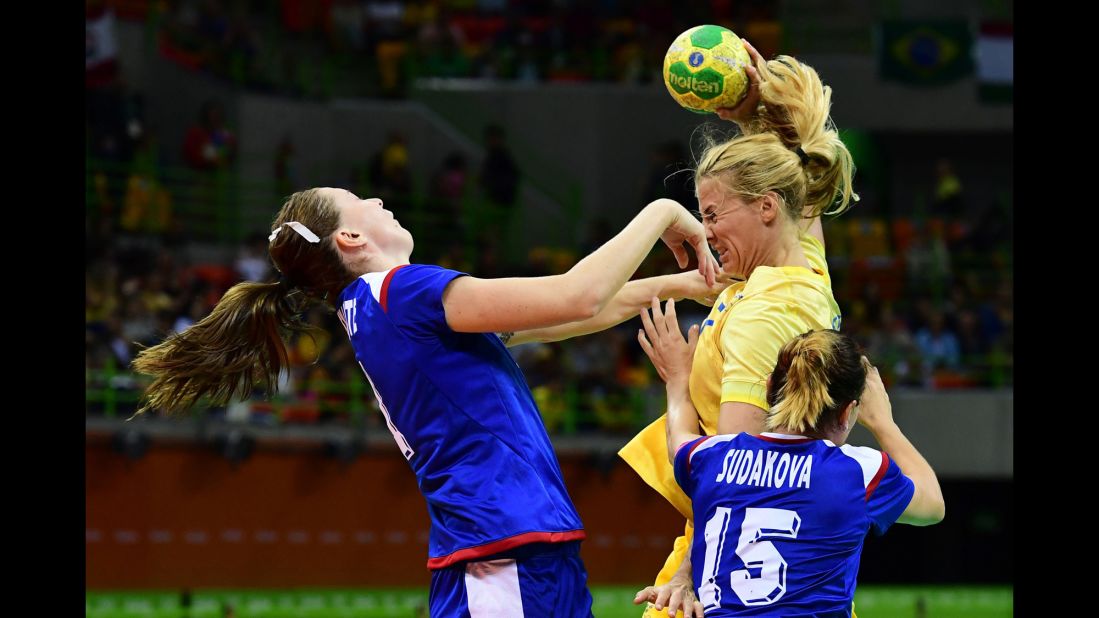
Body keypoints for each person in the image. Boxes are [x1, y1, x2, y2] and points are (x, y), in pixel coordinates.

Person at [131, 187, 719, 617]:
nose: (381, 200)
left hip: (515, 545)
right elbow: (578, 296)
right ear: (350, 239)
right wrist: (662, 212)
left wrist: (687, 285)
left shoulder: (376, 310)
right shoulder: (402, 292)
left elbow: (574, 315)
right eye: (361, 200)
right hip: (500, 546)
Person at [618, 41, 863, 615]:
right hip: (768, 537)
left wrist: (687, 571)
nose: (704, 231)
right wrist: (751, 109)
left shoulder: (762, 313)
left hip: (727, 547)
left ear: (766, 209)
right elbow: (790, 177)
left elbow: (734, 470)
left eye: (710, 215)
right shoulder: (802, 270)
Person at [633, 303, 945, 616]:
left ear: (769, 389)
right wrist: (884, 424)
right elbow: (932, 506)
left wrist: (676, 378)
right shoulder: (857, 472)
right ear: (849, 411)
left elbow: (679, 439)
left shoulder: (712, 457)